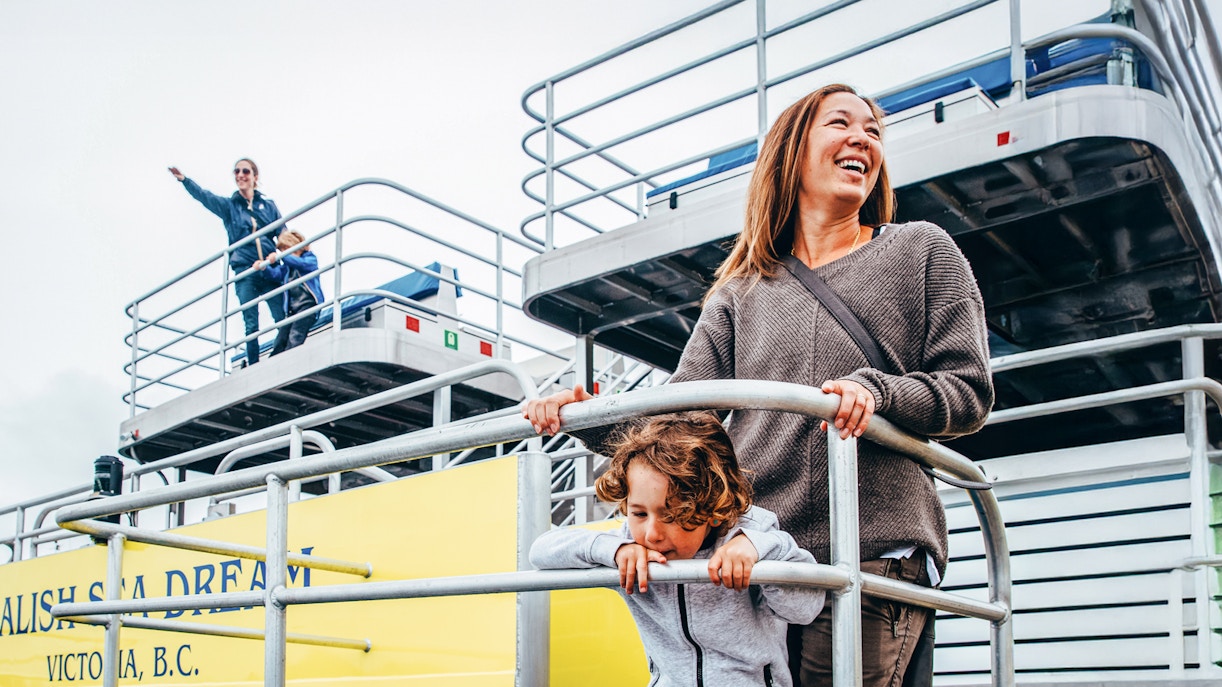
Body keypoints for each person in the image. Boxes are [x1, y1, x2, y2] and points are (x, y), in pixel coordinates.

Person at [523, 84, 994, 687]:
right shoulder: (739, 292)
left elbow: (969, 391)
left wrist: (877, 392)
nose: (862, 139)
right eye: (841, 124)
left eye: (874, 131)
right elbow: (682, 415)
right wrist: (579, 415)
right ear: (791, 152)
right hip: (754, 563)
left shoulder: (921, 249)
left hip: (870, 552)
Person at [529, 412, 823, 687]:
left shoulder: (751, 533)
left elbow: (804, 610)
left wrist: (760, 552)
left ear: (713, 508)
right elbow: (541, 551)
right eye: (640, 513)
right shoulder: (630, 542)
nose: (652, 534)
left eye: (671, 516)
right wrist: (613, 550)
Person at [168, 159, 286, 367]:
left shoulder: (268, 206)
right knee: (251, 323)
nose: (240, 175)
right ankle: (255, 365)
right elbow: (205, 197)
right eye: (237, 171)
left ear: (255, 177)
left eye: (245, 171)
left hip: (269, 268)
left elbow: (283, 234)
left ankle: (279, 358)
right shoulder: (230, 207)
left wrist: (286, 254)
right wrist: (185, 181)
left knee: (282, 317)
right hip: (245, 269)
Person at [258, 229, 323, 356]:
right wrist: (264, 267)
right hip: (293, 310)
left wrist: (282, 257)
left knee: (296, 334)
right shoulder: (287, 268)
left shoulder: (310, 259)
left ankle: (290, 357)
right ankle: (274, 360)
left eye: (285, 250)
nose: (283, 254)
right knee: (281, 337)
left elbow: (301, 264)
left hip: (308, 305)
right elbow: (276, 274)